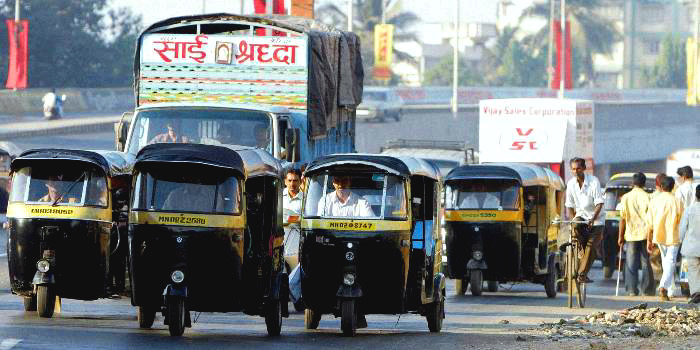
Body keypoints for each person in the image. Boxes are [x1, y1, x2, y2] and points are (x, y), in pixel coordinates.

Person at [564, 157, 605, 284]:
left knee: (591, 247)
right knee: (574, 226)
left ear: (584, 168)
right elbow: (569, 205)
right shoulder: (571, 184)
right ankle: (579, 249)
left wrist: (593, 219)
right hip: (581, 216)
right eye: (573, 169)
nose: (575, 171)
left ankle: (582, 274)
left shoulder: (594, 181)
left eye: (578, 168)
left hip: (596, 219)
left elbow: (599, 203)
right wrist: (572, 221)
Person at [646, 175, 684, 301]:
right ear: (673, 187)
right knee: (670, 262)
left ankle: (668, 289)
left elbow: (649, 223)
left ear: (661, 187)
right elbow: (682, 222)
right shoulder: (677, 201)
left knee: (666, 262)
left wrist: (648, 240)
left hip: (658, 236)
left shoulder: (654, 201)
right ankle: (664, 287)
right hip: (674, 236)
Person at [617, 172, 655, 296]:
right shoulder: (649, 197)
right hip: (646, 234)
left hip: (631, 234)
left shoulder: (626, 197)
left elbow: (622, 218)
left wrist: (620, 236)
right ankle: (647, 290)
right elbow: (652, 218)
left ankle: (632, 290)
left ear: (633, 183)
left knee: (630, 262)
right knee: (646, 262)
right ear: (644, 183)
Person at [680, 185, 700, 303]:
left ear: (696, 196)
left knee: (693, 270)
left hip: (692, 247)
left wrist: (681, 240)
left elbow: (682, 228)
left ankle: (696, 293)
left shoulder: (689, 209)